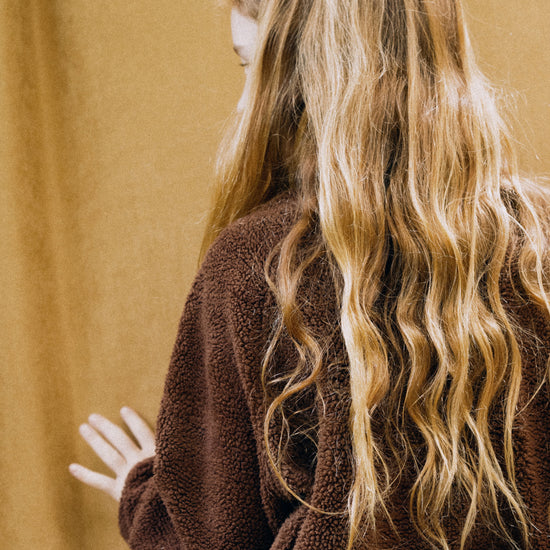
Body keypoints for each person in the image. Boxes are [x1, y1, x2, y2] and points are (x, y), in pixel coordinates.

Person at [69, 0, 550, 549]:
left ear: (304, 77)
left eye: (251, 66)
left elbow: (217, 534)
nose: (244, 100)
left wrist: (147, 501)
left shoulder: (255, 264)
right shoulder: (538, 236)